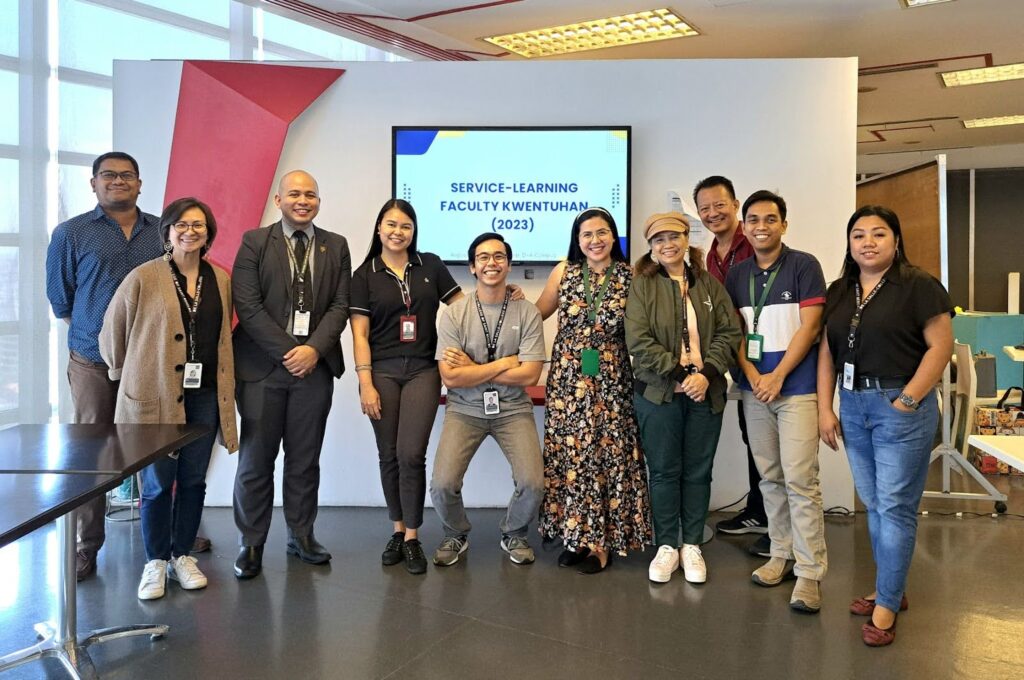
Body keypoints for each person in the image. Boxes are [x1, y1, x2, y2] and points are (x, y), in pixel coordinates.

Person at [818, 205, 953, 646]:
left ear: (896, 240)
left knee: (894, 506)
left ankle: (887, 604)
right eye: (858, 235)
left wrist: (908, 400)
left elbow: (940, 347)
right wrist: (825, 408)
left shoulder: (918, 285)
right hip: (854, 406)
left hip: (899, 406)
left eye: (879, 233)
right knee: (875, 504)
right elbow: (827, 352)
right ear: (849, 243)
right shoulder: (840, 289)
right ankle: (889, 587)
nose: (868, 242)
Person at [99, 197, 237, 599]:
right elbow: (112, 332)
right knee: (158, 483)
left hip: (205, 395)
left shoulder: (220, 279)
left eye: (198, 225)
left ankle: (182, 555)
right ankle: (155, 561)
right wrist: (126, 375)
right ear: (168, 232)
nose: (190, 232)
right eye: (182, 225)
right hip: (156, 395)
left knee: (193, 479)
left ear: (208, 233)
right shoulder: (144, 277)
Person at [45, 151, 163, 581]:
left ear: (139, 183)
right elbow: (61, 300)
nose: (118, 181)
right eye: (108, 175)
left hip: (151, 363)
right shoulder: (71, 233)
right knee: (91, 454)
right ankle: (87, 545)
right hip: (93, 363)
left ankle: (166, 536)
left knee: (158, 449)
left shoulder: (161, 231)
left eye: (127, 175)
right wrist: (103, 338)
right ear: (93, 183)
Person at [231, 170, 351, 579]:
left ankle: (301, 535)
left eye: (311, 195)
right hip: (262, 369)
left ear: (319, 201)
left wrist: (313, 350)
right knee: (256, 461)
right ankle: (251, 542)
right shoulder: (254, 242)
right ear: (278, 200)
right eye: (295, 194)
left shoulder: (336, 245)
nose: (303, 201)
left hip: (314, 370)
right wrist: (289, 352)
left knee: (304, 460)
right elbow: (248, 307)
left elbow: (340, 305)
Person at [725, 190, 828, 613]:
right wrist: (753, 377)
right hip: (755, 391)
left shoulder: (804, 265)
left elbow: (810, 328)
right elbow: (733, 333)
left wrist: (778, 375)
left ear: (784, 224)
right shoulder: (737, 275)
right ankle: (780, 554)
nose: (761, 226)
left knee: (801, 480)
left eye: (770, 219)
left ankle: (809, 572)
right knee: (769, 477)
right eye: (753, 220)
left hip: (796, 390)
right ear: (744, 226)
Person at [626, 212, 740, 584]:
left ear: (687, 238)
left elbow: (729, 333)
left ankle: (691, 544)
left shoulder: (708, 285)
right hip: (658, 396)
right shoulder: (642, 286)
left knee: (698, 471)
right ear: (651, 247)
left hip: (706, 393)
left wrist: (706, 375)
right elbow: (638, 341)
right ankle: (666, 546)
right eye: (658, 240)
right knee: (663, 471)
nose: (667, 245)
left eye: (673, 237)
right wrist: (680, 375)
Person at [536, 208, 651, 574]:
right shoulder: (563, 272)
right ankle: (576, 537)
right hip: (568, 384)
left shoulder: (630, 276)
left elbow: (644, 327)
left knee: (605, 456)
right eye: (587, 234)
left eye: (602, 232)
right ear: (577, 239)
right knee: (572, 458)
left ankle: (601, 544)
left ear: (613, 236)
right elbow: (536, 315)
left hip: (611, 381)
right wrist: (507, 301)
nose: (595, 240)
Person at [350, 199, 462, 575]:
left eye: (406, 226)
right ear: (379, 228)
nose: (398, 232)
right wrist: (365, 383)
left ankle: (413, 537)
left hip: (423, 370)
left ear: (414, 232)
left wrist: (502, 296)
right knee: (388, 454)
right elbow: (360, 335)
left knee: (411, 454)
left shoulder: (430, 265)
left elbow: (462, 308)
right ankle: (397, 531)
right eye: (392, 224)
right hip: (381, 371)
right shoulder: (364, 275)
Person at [430, 233, 546, 567]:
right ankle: (456, 532)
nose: (491, 263)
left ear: (508, 265)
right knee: (442, 484)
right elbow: (451, 378)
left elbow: (530, 375)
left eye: (498, 257)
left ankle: (514, 532)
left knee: (533, 483)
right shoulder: (454, 314)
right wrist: (504, 364)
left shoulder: (527, 312)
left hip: (512, 409)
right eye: (483, 257)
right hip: (464, 408)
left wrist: (473, 368)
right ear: (472, 267)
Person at [694, 176, 770, 557]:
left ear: (736, 205)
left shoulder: (752, 243)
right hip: (736, 360)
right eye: (705, 208)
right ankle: (758, 511)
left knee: (771, 446)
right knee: (752, 437)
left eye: (719, 205)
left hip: (766, 360)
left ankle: (774, 521)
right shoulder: (711, 254)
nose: (713, 213)